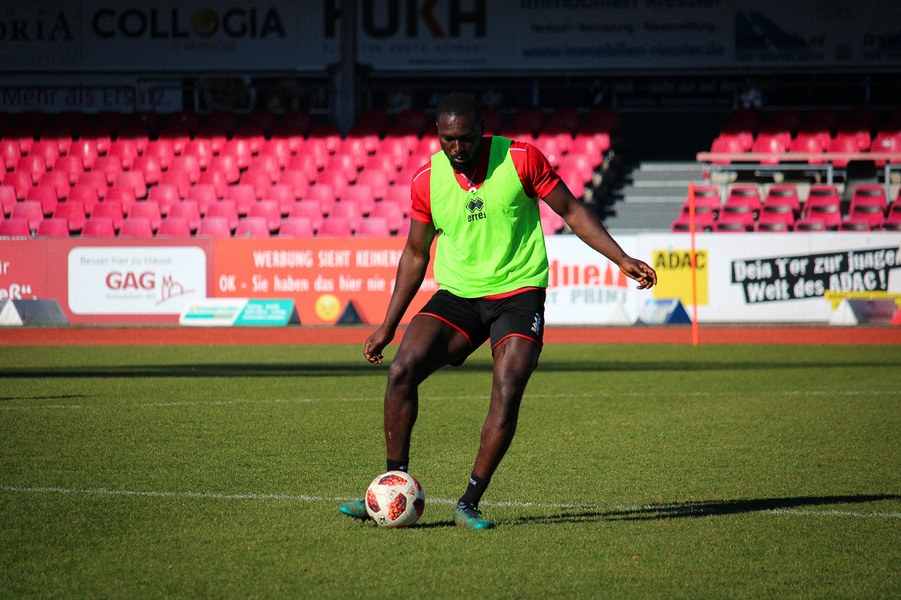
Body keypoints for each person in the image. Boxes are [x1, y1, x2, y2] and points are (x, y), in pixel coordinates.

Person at [339, 93, 657, 529]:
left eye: (466, 138)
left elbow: (571, 209)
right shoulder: (427, 179)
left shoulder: (521, 159)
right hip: (459, 295)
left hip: (518, 293)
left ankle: (469, 502)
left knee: (507, 387)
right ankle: (391, 485)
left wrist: (619, 258)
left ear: (482, 130)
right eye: (448, 139)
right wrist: (388, 325)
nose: (457, 148)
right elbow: (415, 253)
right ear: (438, 135)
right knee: (402, 370)